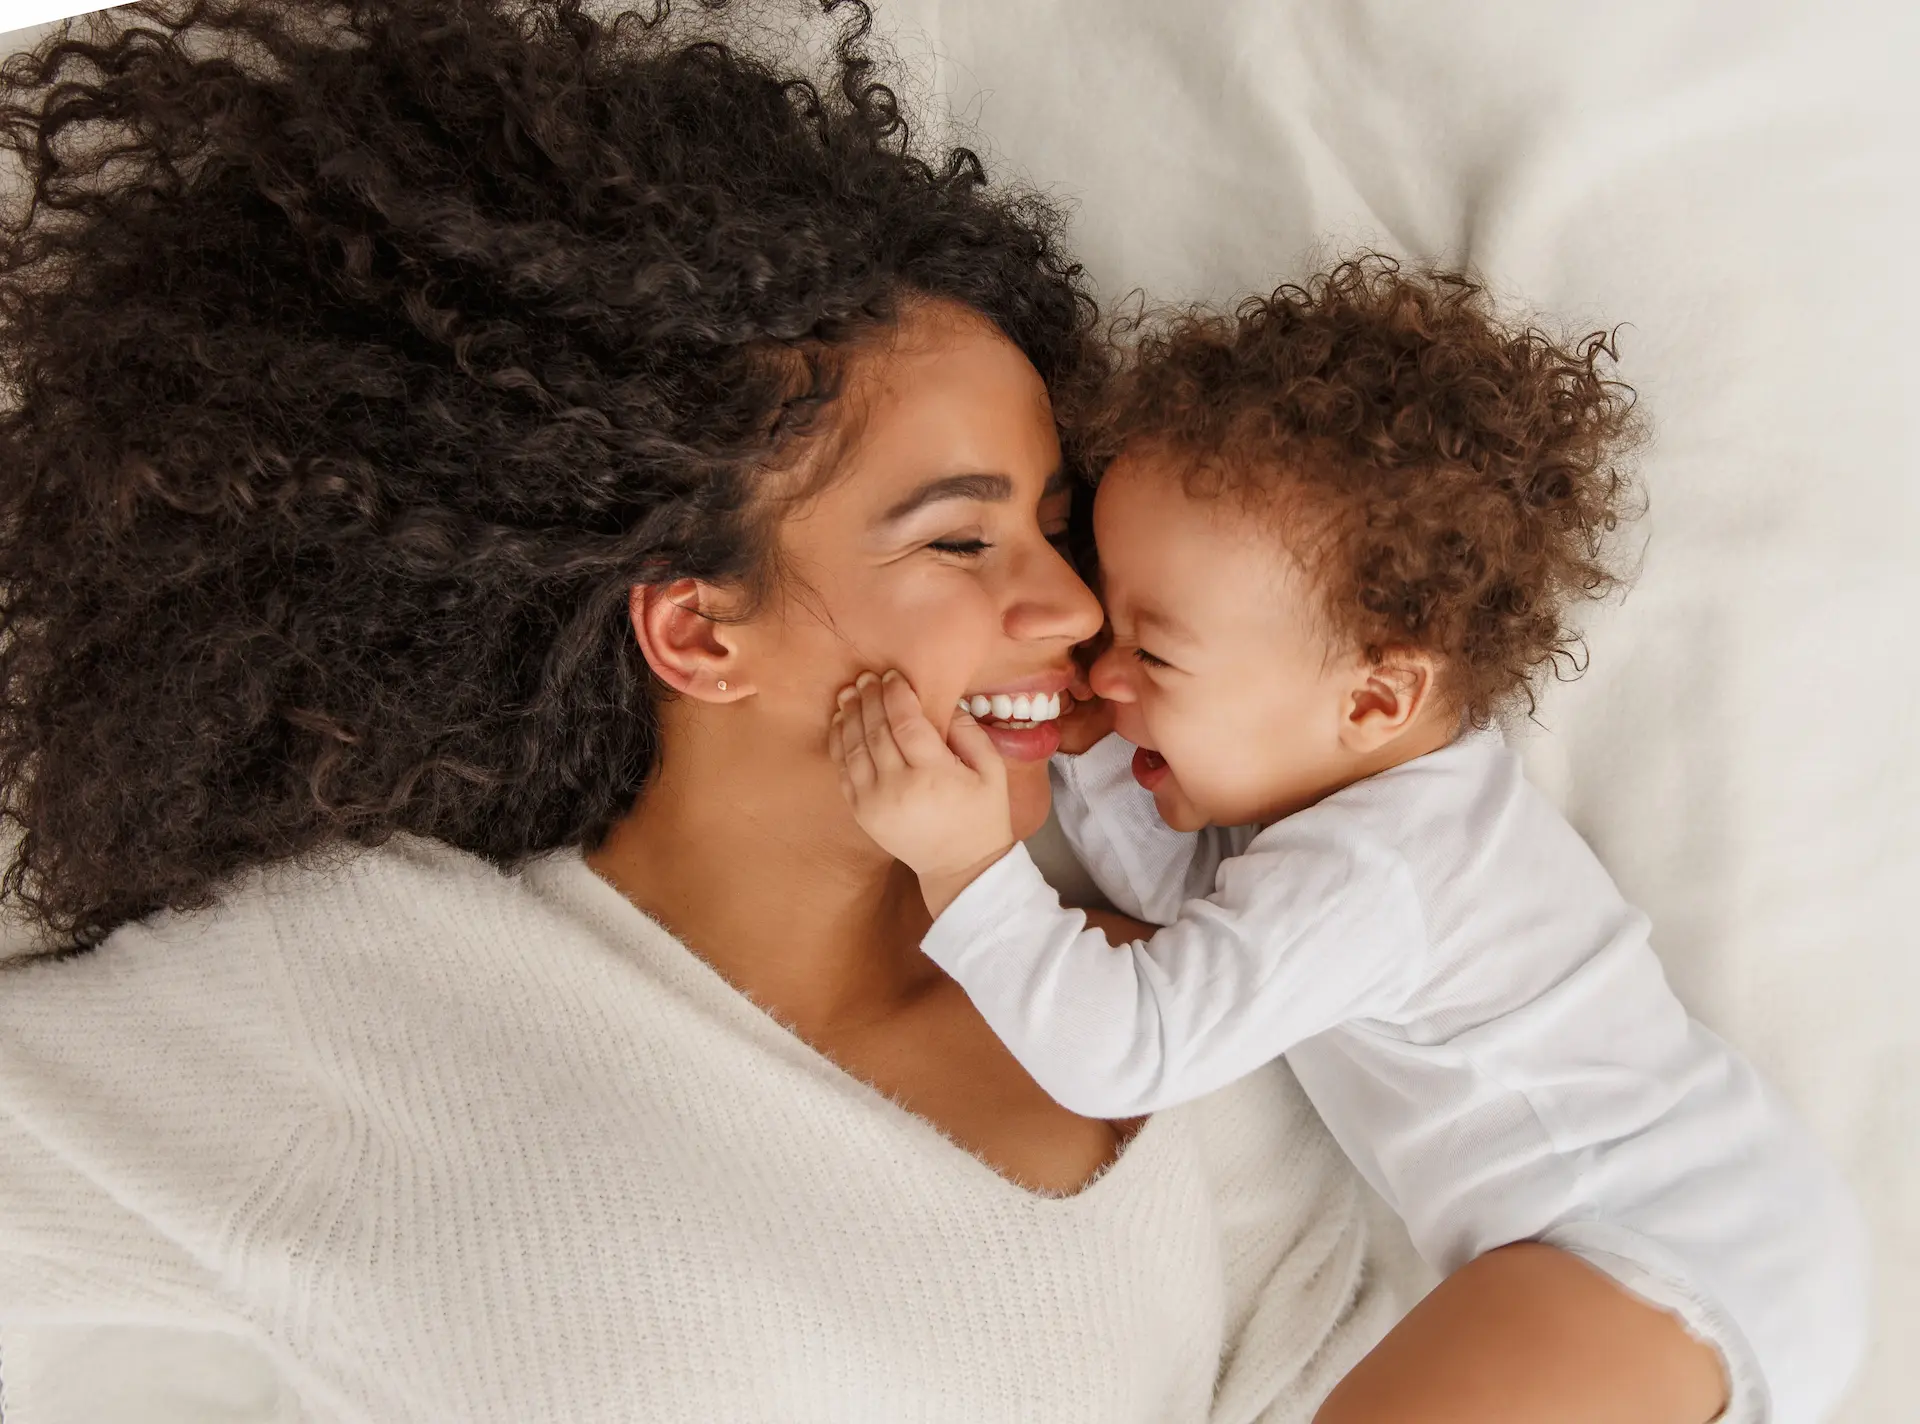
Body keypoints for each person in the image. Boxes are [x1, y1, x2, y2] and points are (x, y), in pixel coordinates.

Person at [0, 3, 1743, 1419]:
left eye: (1057, 528)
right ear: (698, 630)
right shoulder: (364, 991)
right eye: (962, 535)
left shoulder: (1171, 949)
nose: (1066, 609)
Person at [829, 260, 1868, 1424]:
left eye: (1153, 657)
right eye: (1111, 629)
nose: (1101, 671)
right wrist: (1095, 744)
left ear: (1375, 698)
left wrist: (967, 868)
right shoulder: (1361, 806)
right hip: (1693, 1238)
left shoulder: (1381, 866)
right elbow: (1191, 910)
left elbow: (1135, 1039)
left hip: (1659, 1246)